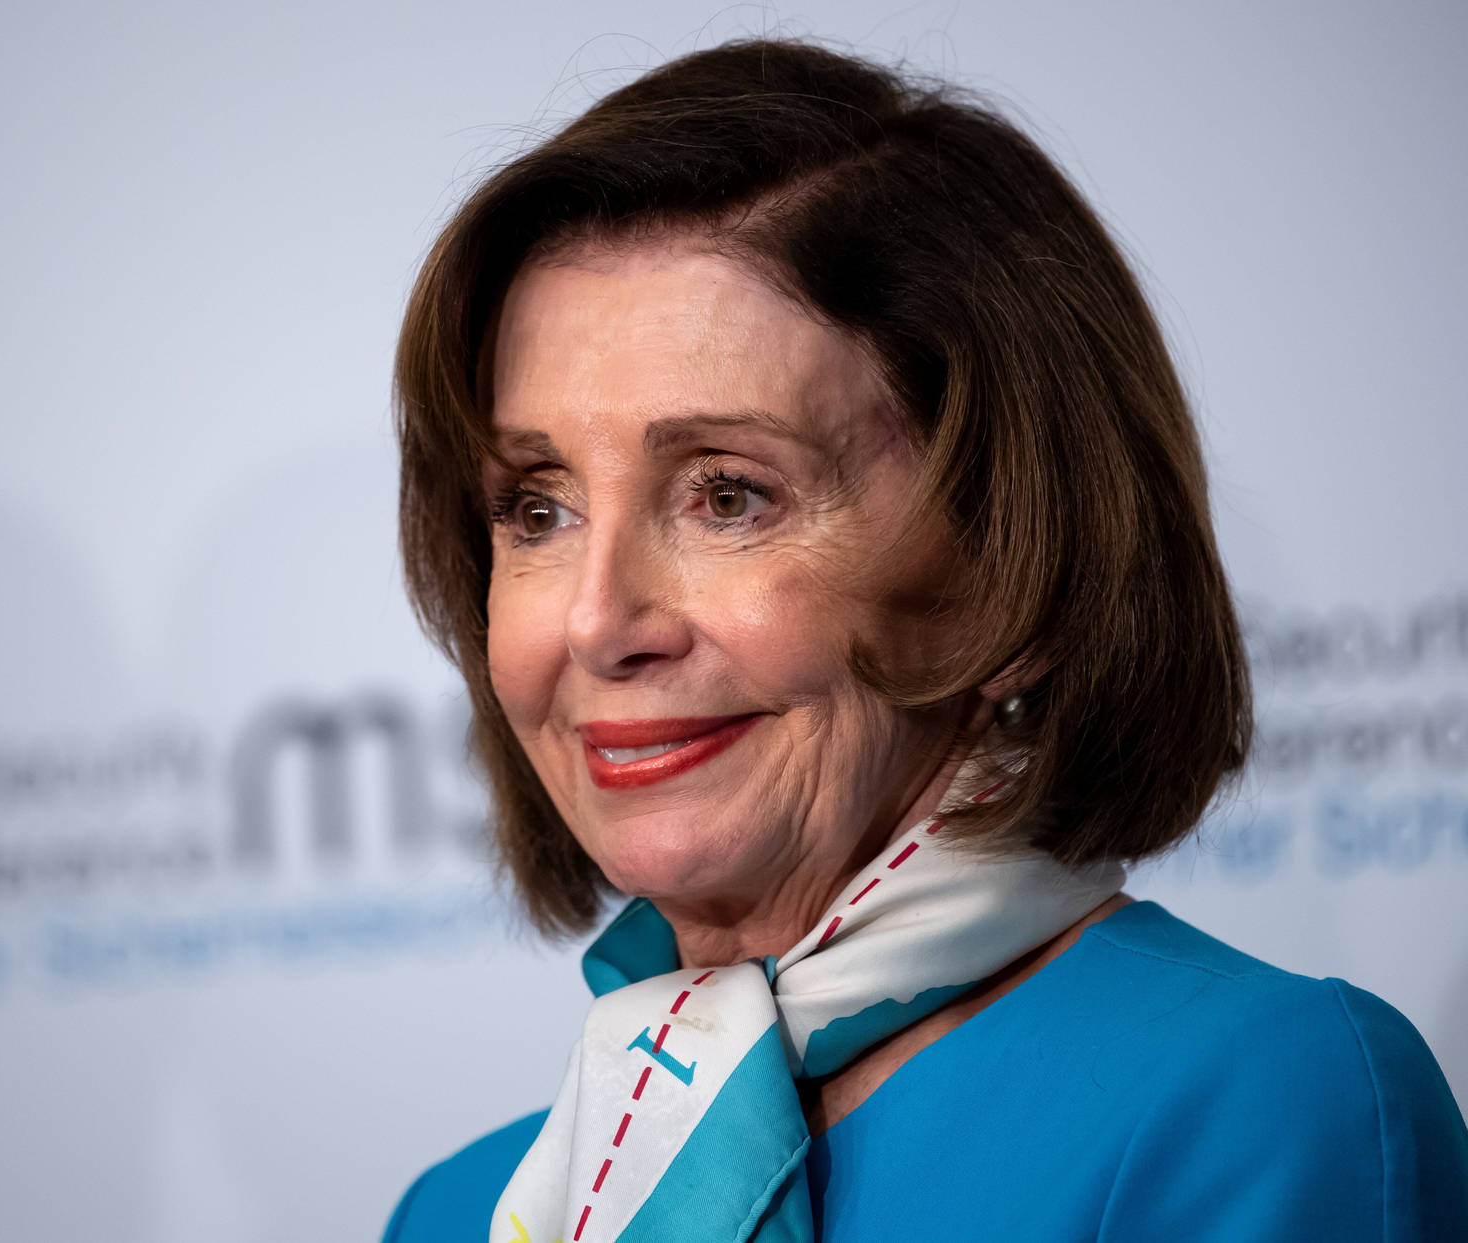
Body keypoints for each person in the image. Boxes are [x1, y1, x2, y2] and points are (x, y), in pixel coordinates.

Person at [383, 38, 1468, 1242]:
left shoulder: (1260, 1099)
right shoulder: (456, 1213)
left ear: (1007, 558)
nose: (597, 622)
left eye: (727, 495)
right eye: (537, 508)